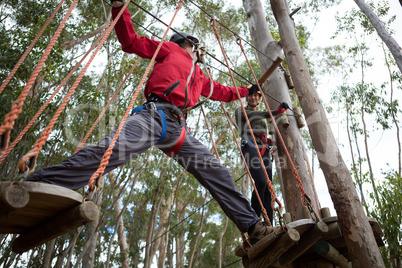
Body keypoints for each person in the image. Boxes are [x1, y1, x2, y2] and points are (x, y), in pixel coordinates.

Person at [27, 0, 273, 243]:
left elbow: (224, 92)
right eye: (197, 48)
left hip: (178, 129)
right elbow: (131, 41)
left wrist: (246, 90)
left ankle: (252, 227)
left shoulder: (200, 76)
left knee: (216, 171)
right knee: (108, 151)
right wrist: (119, 8)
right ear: (189, 44)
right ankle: (39, 184)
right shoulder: (170, 49)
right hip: (153, 116)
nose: (200, 53)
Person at [235, 85, 288, 224]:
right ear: (246, 97)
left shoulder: (260, 116)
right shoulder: (241, 111)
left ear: (259, 98)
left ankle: (269, 223)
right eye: (250, 95)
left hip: (263, 149)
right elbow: (255, 115)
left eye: (256, 96)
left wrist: (270, 141)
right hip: (250, 146)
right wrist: (277, 111)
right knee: (261, 181)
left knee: (268, 189)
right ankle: (254, 222)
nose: (253, 98)